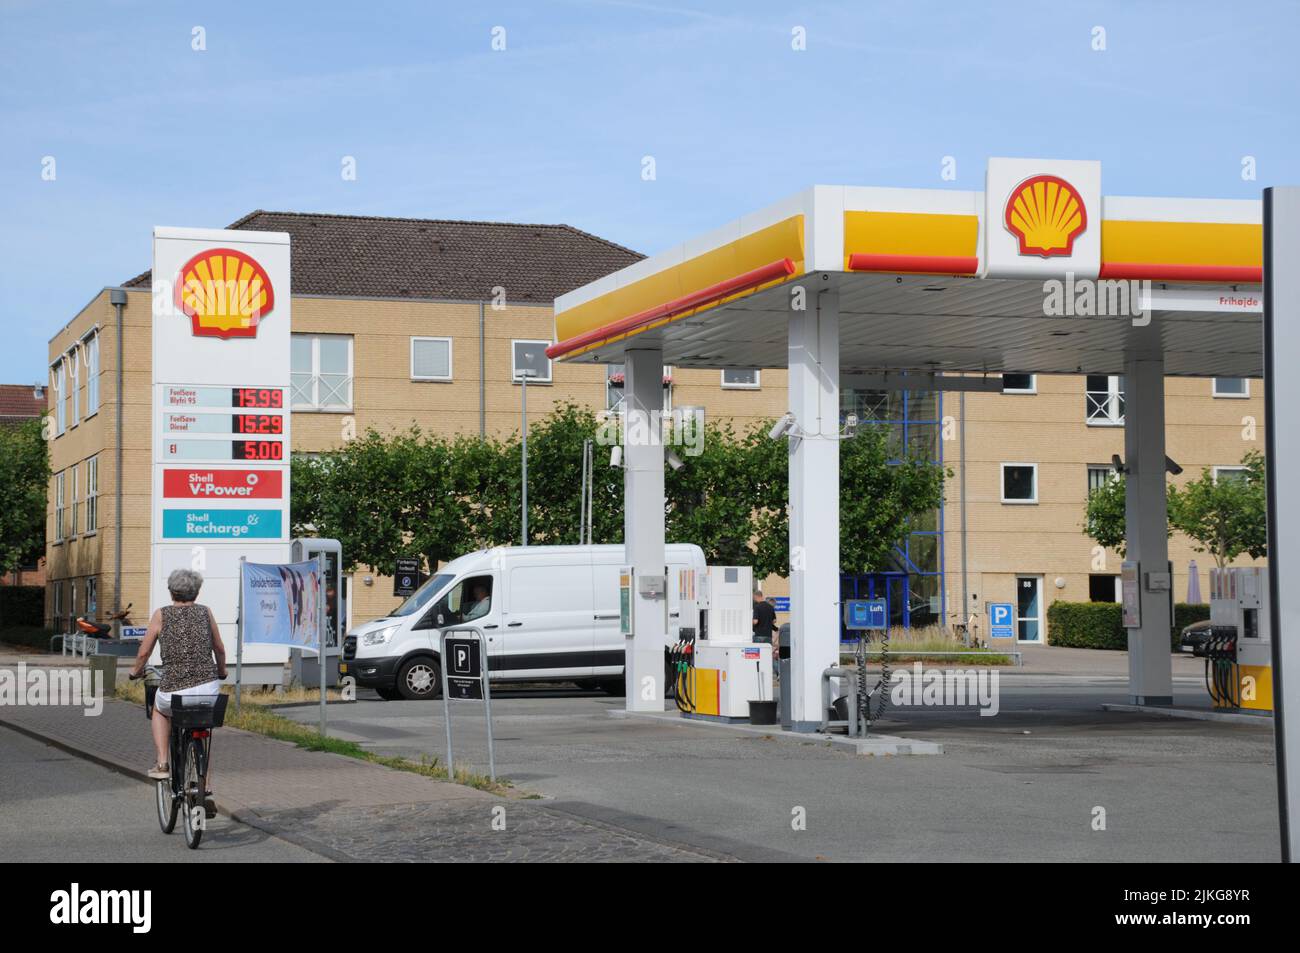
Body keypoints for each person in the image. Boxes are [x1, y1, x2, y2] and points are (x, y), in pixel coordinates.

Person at [128, 569, 227, 781]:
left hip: (174, 691)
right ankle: (205, 788)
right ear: (197, 592)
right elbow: (219, 648)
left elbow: (144, 651)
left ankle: (162, 762)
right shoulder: (205, 612)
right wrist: (222, 671)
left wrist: (135, 671)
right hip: (208, 689)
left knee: (159, 710)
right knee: (202, 729)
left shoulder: (162, 614)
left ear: (171, 592)